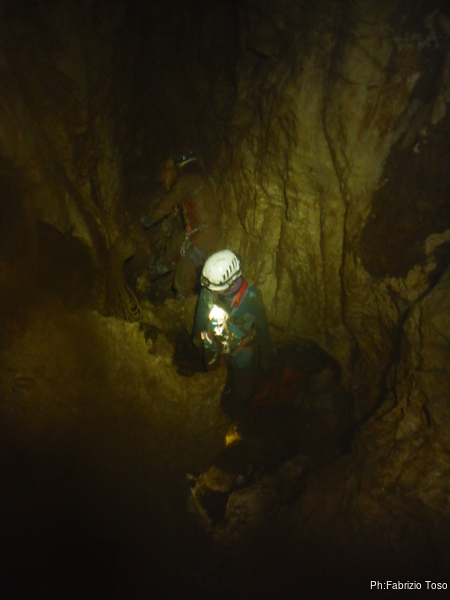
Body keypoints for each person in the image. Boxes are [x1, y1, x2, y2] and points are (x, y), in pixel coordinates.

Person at [192, 249, 274, 424]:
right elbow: (200, 318)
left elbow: (262, 328)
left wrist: (267, 357)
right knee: (213, 377)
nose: (209, 289)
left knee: (243, 394)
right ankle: (219, 388)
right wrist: (198, 341)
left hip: (241, 349)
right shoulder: (209, 292)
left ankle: (238, 412)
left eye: (214, 287)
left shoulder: (251, 298)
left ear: (228, 284)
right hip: (214, 343)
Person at [141, 151, 222, 297]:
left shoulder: (187, 179)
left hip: (203, 237)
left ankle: (185, 303)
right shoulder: (206, 178)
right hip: (203, 232)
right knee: (173, 246)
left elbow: (168, 201)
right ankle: (149, 276)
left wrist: (150, 218)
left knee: (182, 280)